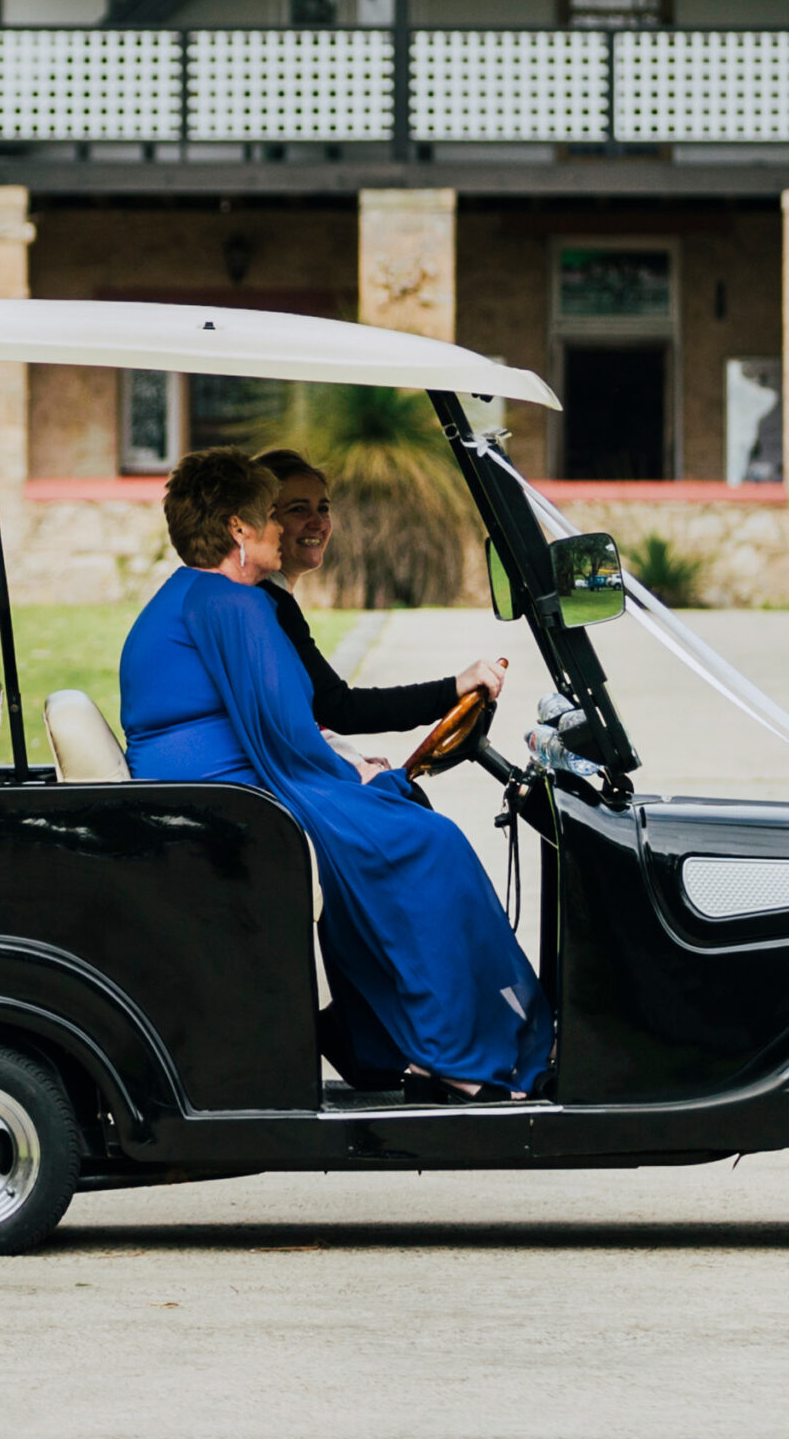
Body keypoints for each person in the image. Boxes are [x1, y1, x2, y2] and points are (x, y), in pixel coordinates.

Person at [119, 447, 551, 1100]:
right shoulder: (231, 605)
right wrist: (353, 776)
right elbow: (282, 737)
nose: (290, 526)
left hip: (228, 785)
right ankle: (447, 1051)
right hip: (228, 798)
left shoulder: (215, 597)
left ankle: (384, 1038)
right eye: (274, 513)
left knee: (401, 819)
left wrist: (353, 770)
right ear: (239, 529)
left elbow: (287, 721)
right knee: (425, 843)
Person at [254, 447, 506, 744]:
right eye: (298, 509)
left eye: (323, 508)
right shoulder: (265, 603)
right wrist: (451, 690)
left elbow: (311, 709)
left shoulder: (270, 598)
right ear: (260, 521)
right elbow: (338, 708)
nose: (318, 522)